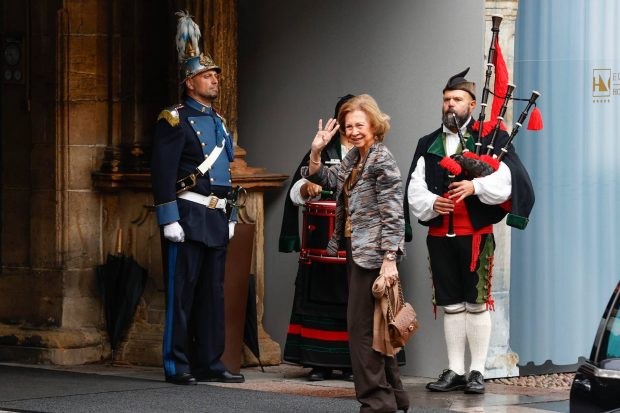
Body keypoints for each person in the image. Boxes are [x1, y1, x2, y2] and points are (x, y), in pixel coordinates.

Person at [404, 68, 534, 394]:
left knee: (476, 302)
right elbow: (414, 188)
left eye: (457, 99)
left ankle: (477, 371)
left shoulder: (492, 139)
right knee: (451, 303)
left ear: (471, 104)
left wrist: (474, 186)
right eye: (446, 99)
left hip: (475, 234)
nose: (450, 105)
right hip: (439, 235)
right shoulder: (428, 143)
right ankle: (455, 370)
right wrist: (434, 202)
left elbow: (509, 179)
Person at [150, 11, 243, 385]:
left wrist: (231, 215)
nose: (216, 79)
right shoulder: (174, 118)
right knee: (181, 293)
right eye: (208, 75)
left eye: (216, 75)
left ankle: (209, 361)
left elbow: (226, 172)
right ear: (190, 83)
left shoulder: (219, 121)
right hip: (187, 216)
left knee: (211, 295)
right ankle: (177, 363)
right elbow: (162, 170)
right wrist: (167, 217)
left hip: (216, 217)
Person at [302, 94, 410, 412]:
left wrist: (390, 260)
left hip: (374, 257)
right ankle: (393, 396)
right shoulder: (357, 158)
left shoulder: (382, 159)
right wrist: (316, 151)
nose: (353, 130)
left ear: (374, 125)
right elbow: (328, 181)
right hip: (357, 251)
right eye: (349, 126)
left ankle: (376, 401)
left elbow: (393, 214)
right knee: (376, 328)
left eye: (359, 124)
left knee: (361, 330)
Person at [279, 95, 356, 382]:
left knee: (355, 301)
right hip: (320, 247)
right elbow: (296, 188)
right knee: (318, 301)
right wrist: (307, 188)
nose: (350, 126)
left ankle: (351, 363)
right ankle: (319, 362)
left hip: (356, 244)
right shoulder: (321, 149)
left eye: (356, 118)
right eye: (345, 119)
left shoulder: (372, 151)